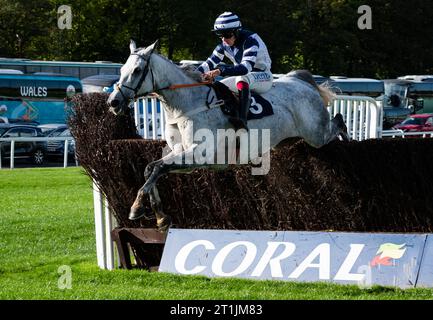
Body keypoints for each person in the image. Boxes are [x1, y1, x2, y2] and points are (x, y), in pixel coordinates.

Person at [197, 12, 273, 130]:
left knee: (243, 78)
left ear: (236, 31)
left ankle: (242, 121)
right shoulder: (223, 45)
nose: (224, 39)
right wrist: (193, 75)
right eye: (220, 35)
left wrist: (220, 71)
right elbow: (208, 64)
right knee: (218, 86)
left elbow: (245, 68)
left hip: (263, 76)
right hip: (244, 77)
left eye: (226, 35)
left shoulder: (250, 40)